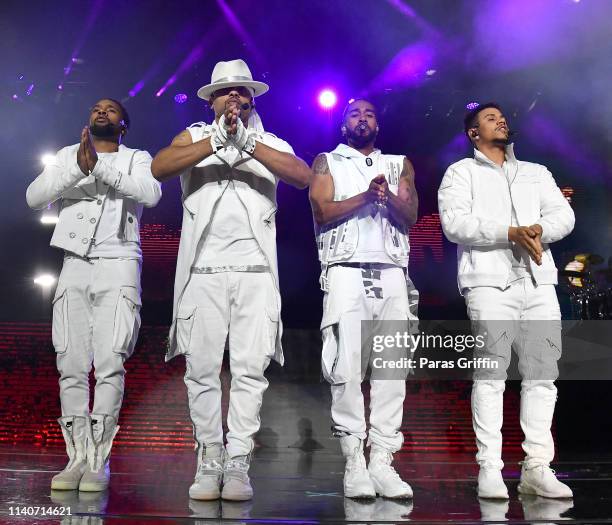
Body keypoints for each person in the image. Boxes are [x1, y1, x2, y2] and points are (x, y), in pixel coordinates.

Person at [151, 59, 311, 501]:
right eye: (225, 92)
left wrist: (246, 143)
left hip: (255, 273)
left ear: (252, 99)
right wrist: (216, 141)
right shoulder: (194, 136)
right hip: (202, 272)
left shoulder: (270, 141)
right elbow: (160, 167)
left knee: (249, 371)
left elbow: (302, 177)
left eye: (240, 91)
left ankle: (238, 462)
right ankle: (209, 458)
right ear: (211, 101)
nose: (233, 97)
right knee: (200, 370)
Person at [438, 102, 575, 499]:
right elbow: (454, 224)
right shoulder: (460, 173)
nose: (500, 120)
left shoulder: (535, 172)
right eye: (489, 118)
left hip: (538, 284)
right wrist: (509, 232)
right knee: (491, 377)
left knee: (542, 377)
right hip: (489, 284)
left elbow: (564, 217)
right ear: (473, 133)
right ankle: (490, 469)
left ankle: (537, 468)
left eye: (502, 116)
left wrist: (537, 229)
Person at [26, 98, 161, 492]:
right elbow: (34, 197)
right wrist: (77, 167)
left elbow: (150, 194)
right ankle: (77, 456)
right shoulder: (69, 156)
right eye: (97, 108)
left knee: (109, 364)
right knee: (69, 363)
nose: (102, 111)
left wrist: (99, 167)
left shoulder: (137, 157)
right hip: (74, 263)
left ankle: (99, 460)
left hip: (118, 262)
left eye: (112, 109)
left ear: (124, 125)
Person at [309, 98, 418, 499]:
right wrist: (367, 198)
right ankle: (354, 459)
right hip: (345, 270)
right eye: (354, 114)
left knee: (392, 369)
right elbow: (321, 210)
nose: (363, 119)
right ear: (343, 125)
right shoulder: (327, 161)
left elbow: (412, 215)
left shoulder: (399, 163)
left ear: (378, 124)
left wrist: (388, 196)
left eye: (370, 113)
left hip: (391, 271)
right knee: (346, 368)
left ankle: (383, 461)